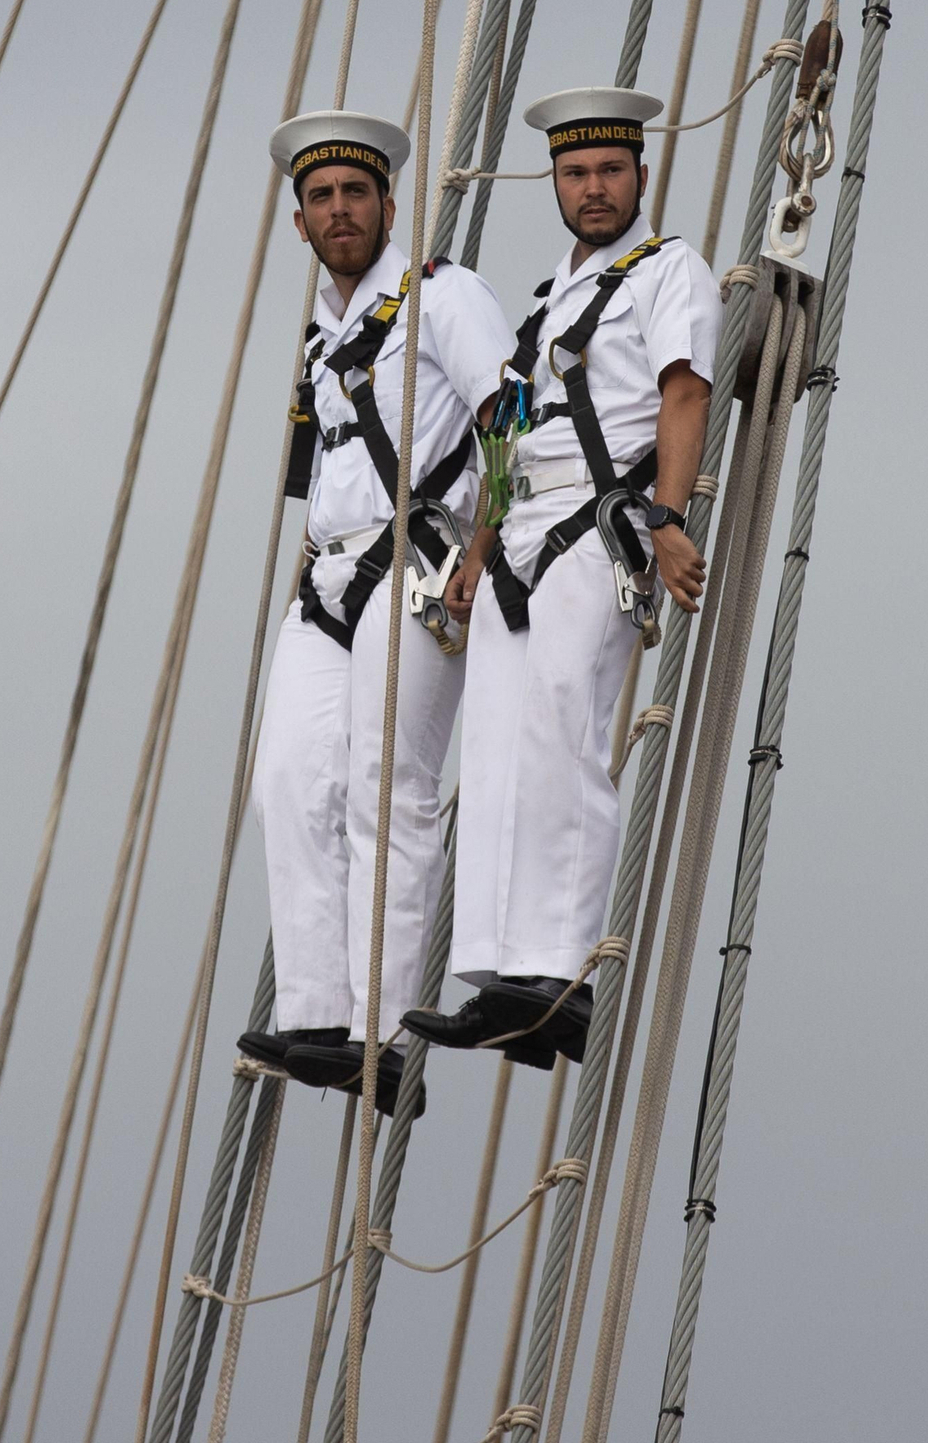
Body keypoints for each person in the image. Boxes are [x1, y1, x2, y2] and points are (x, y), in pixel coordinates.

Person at [404, 87, 721, 1069]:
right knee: (498, 753)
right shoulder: (552, 299)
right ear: (555, 182)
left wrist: (668, 519)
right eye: (576, 174)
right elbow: (509, 432)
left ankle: (561, 975)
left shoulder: (669, 272)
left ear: (639, 176)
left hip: (600, 531)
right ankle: (505, 977)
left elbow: (683, 391)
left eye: (609, 172)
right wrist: (481, 543)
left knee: (566, 740)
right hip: (520, 547)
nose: (592, 189)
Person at [243, 110, 513, 1116]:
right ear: (300, 219)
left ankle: (384, 1033)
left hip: (421, 566)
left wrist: (482, 552)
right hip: (326, 580)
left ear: (388, 204)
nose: (340, 210)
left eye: (355, 193)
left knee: (384, 788)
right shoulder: (324, 334)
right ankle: (318, 1011)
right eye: (321, 197)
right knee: (287, 782)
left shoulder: (443, 296)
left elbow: (513, 419)